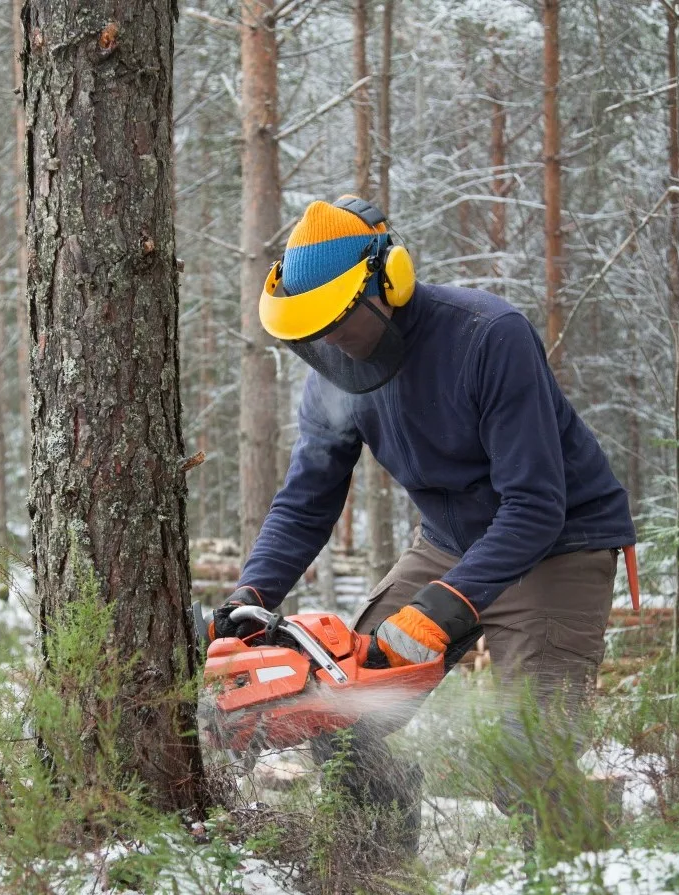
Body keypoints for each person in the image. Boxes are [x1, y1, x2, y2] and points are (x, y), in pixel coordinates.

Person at [212, 195, 637, 852]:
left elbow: (534, 504)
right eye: (313, 327)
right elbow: (308, 498)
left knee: (527, 761)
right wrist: (252, 594)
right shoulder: (334, 373)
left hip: (559, 545)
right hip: (448, 543)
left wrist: (442, 607)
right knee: (335, 712)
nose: (329, 340)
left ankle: (582, 871)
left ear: (390, 281)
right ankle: (378, 873)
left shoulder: (486, 336)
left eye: (339, 320)